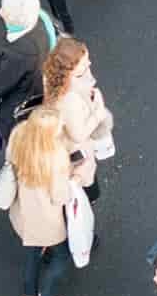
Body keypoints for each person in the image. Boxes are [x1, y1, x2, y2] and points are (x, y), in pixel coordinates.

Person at [4, 109, 76, 296]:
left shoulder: (19, 136)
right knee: (62, 257)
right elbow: (60, 196)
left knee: (32, 254)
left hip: (23, 212)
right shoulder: (54, 157)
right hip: (46, 219)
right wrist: (74, 176)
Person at [43, 38, 114, 202]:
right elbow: (78, 135)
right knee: (85, 174)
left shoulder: (51, 77)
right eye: (83, 66)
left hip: (58, 141)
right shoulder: (69, 100)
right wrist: (98, 112)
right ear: (69, 70)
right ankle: (89, 198)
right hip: (75, 150)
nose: (89, 64)